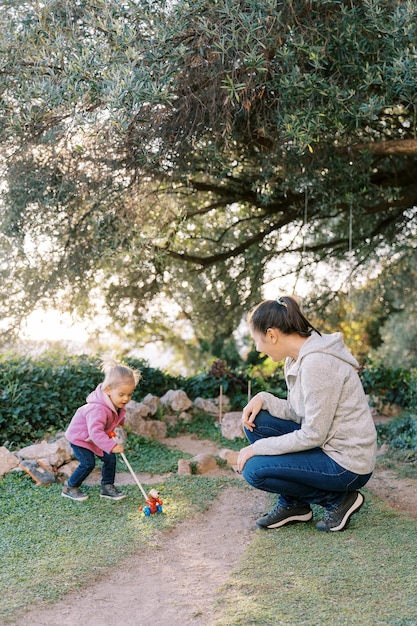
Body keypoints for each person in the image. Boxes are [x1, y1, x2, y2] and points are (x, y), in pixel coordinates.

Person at [237, 296, 377, 532]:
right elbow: (297, 412)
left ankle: (338, 500)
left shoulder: (317, 363)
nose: (258, 347)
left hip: (347, 463)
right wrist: (264, 398)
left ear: (272, 335)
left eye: (256, 340)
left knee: (254, 470)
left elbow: (313, 434)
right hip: (326, 445)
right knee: (256, 421)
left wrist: (256, 449)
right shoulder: (295, 359)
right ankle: (295, 505)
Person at [62, 358, 141, 502]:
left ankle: (107, 486)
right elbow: (95, 432)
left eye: (129, 394)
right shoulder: (97, 409)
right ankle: (70, 487)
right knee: (88, 463)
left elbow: (115, 415)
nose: (126, 399)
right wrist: (112, 445)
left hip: (95, 437)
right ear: (108, 390)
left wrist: (120, 422)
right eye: (122, 394)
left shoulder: (115, 402)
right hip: (81, 438)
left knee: (110, 458)